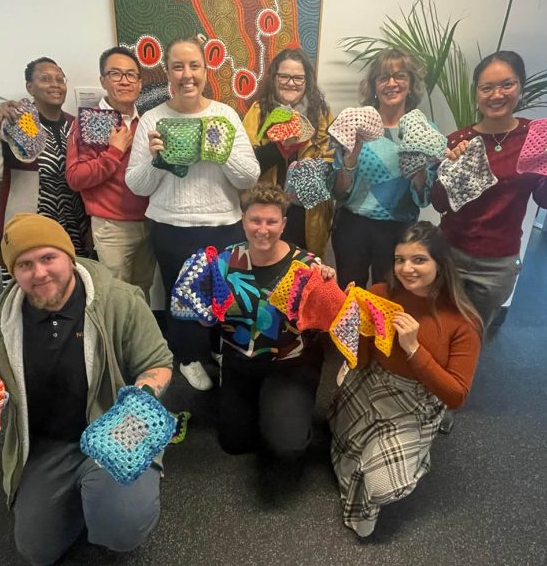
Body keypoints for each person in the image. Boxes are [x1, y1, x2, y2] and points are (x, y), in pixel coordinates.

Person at [0, 213, 172, 564]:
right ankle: (84, 494)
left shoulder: (120, 300)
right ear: (13, 272)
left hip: (116, 428)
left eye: (48, 258)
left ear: (69, 258)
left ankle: (114, 495)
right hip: (47, 444)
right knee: (37, 550)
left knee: (120, 530)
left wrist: (142, 398)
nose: (39, 273)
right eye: (25, 264)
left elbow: (158, 363)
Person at [329, 221, 482, 537]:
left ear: (440, 264)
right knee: (341, 440)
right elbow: (363, 359)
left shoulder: (463, 322)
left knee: (384, 485)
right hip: (372, 382)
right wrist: (352, 322)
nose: (406, 268)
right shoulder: (379, 293)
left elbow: (456, 396)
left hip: (417, 400)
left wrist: (414, 349)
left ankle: (419, 451)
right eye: (400, 259)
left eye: (419, 260)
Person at [126, 37, 261, 391]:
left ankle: (217, 348)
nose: (187, 75)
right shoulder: (153, 119)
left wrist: (219, 151)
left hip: (223, 224)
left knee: (223, 295)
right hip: (172, 226)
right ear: (167, 72)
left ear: (206, 69)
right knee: (179, 297)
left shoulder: (225, 115)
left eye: (194, 66)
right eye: (178, 66)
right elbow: (137, 185)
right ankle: (187, 357)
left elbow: (249, 176)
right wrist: (159, 162)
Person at [431, 50, 547, 329]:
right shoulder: (459, 140)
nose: (497, 95)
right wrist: (452, 170)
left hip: (497, 263)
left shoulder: (537, 139)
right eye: (487, 88)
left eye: (507, 84)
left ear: (521, 86)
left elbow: (546, 199)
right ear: (477, 93)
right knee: (437, 327)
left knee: (472, 335)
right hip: (450, 252)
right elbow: (439, 203)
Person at [205, 183, 335, 459]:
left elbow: (328, 322)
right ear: (243, 220)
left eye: (271, 221)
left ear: (284, 223)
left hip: (288, 363)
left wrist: (327, 291)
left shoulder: (307, 265)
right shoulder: (224, 262)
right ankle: (261, 404)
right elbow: (205, 316)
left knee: (287, 445)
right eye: (255, 220)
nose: (262, 229)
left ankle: (291, 405)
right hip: (239, 359)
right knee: (234, 443)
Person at [0, 57, 93, 286]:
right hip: (29, 227)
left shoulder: (74, 124)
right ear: (30, 87)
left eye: (60, 79)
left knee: (72, 290)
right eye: (45, 79)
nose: (55, 84)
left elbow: (85, 179)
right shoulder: (21, 122)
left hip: (72, 229)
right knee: (30, 292)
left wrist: (89, 225)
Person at [331, 48, 432, 288]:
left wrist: (419, 167)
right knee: (348, 295)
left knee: (386, 299)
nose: (392, 83)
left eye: (400, 76)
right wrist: (349, 160)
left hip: (398, 230)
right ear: (374, 85)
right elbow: (339, 192)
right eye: (383, 77)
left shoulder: (424, 130)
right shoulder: (354, 124)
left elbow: (424, 198)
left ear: (411, 83)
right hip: (352, 227)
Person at [66, 46, 154, 299]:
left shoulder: (146, 122)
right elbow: (76, 178)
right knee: (115, 296)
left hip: (148, 222)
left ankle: (139, 339)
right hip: (113, 226)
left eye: (131, 75)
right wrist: (113, 152)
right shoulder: (93, 120)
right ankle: (117, 340)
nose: (124, 81)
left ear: (140, 83)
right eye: (116, 74)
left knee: (142, 291)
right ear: (103, 80)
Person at [241, 48, 334, 257]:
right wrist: (279, 148)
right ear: (274, 78)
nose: (291, 83)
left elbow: (332, 164)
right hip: (266, 213)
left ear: (307, 81)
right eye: (284, 76)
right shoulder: (258, 112)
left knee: (304, 275)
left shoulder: (322, 114)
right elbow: (244, 166)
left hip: (307, 215)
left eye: (298, 78)